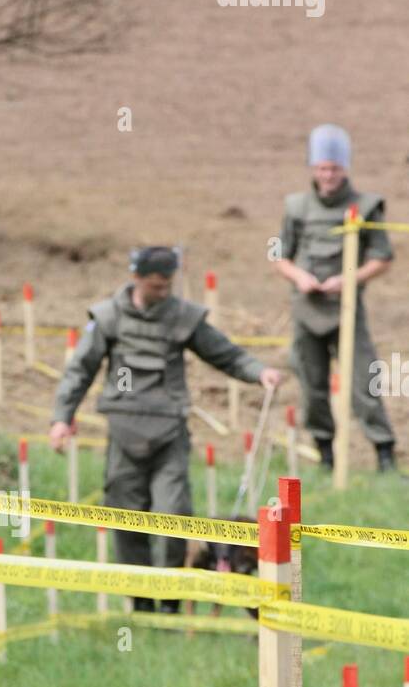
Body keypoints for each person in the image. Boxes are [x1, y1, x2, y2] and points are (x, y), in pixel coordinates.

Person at [49, 246, 281, 612]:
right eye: (156, 285)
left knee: (174, 516)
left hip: (169, 431)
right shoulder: (108, 317)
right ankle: (141, 603)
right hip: (124, 430)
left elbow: (224, 352)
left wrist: (258, 372)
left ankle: (172, 600)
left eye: (168, 285)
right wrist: (62, 417)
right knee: (126, 518)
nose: (163, 292)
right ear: (137, 279)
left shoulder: (182, 317)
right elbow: (80, 369)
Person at [275, 123, 396, 471]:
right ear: (314, 168)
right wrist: (300, 277)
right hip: (306, 309)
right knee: (311, 386)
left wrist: (349, 279)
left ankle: (384, 455)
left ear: (346, 169)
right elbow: (279, 256)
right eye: (323, 168)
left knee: (363, 381)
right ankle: (325, 456)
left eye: (335, 169)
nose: (328, 175)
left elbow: (382, 257)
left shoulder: (366, 206)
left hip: (346, 309)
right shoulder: (296, 207)